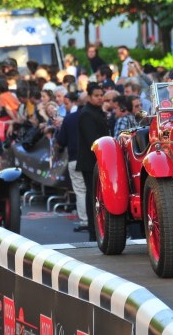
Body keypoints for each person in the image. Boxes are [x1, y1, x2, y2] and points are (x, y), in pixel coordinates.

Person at [77, 82, 109, 241]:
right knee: (93, 197)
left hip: (99, 161)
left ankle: (99, 230)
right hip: (91, 163)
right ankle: (93, 232)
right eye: (96, 96)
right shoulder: (86, 113)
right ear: (89, 97)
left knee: (97, 197)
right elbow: (92, 140)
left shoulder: (97, 112)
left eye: (101, 95)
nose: (100, 98)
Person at [56, 92, 88, 232]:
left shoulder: (68, 119)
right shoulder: (93, 117)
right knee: (92, 190)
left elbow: (61, 142)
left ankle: (85, 221)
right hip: (91, 159)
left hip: (75, 158)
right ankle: (93, 219)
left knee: (80, 191)